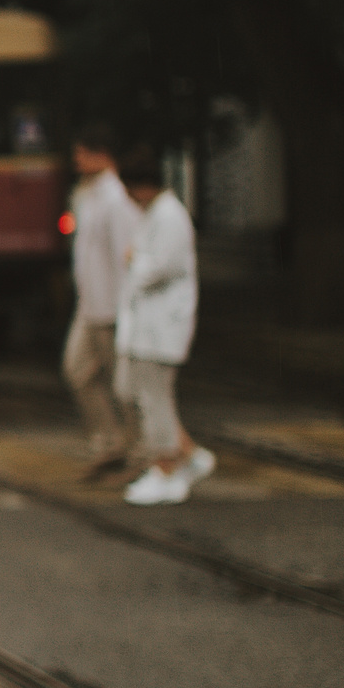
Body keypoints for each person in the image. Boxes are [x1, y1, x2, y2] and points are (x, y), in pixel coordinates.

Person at [114, 147, 213, 506]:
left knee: (153, 400)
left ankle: (167, 470)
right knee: (137, 394)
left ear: (140, 186)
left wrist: (133, 259)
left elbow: (159, 269)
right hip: (147, 325)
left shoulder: (169, 216)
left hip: (162, 325)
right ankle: (188, 454)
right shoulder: (155, 213)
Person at [64, 123, 138, 476]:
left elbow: (125, 255)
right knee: (77, 370)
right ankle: (108, 442)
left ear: (102, 155)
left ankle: (137, 451)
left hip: (112, 306)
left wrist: (128, 308)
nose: (77, 160)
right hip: (89, 304)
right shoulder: (85, 194)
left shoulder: (116, 198)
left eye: (83, 153)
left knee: (123, 384)